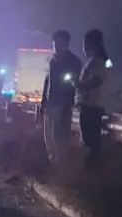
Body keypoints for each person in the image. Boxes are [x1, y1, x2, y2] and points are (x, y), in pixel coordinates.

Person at [39, 29, 82, 163]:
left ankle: (62, 166)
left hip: (63, 104)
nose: (55, 45)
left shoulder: (73, 61)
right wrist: (43, 101)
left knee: (60, 136)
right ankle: (53, 162)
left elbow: (75, 83)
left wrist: (69, 102)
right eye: (54, 43)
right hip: (51, 103)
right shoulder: (53, 61)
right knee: (49, 136)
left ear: (65, 43)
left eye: (58, 42)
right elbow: (48, 81)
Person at [76, 29, 113, 163]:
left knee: (89, 141)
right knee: (92, 140)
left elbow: (97, 81)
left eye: (85, 43)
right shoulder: (105, 60)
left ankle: (90, 170)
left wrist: (79, 85)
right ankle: (91, 170)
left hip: (91, 105)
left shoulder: (97, 60)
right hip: (95, 104)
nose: (83, 46)